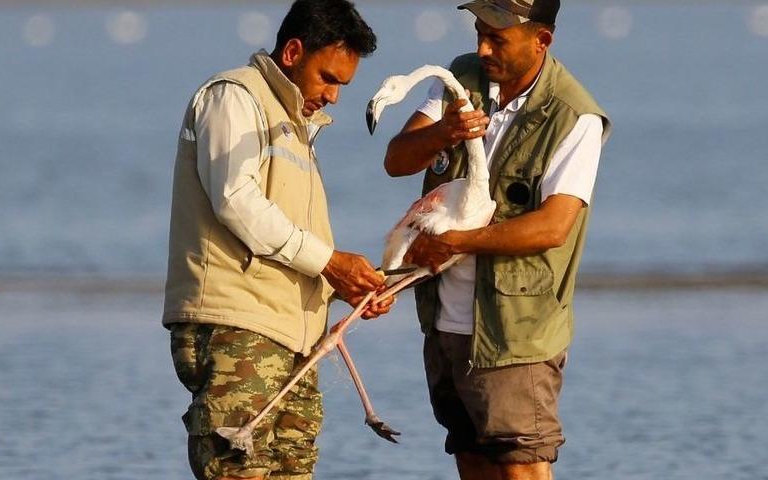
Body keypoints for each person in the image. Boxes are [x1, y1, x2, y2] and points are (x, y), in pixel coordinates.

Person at [383, 1, 612, 479]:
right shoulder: (460, 79)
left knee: (520, 469)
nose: (483, 48)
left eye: (499, 39)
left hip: (516, 336)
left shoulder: (575, 116)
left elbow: (552, 227)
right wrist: (444, 131)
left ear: (542, 41)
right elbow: (398, 159)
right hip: (445, 323)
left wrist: (454, 243)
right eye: (479, 32)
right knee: (471, 461)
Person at [162, 1, 390, 479]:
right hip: (237, 331)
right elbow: (236, 201)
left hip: (293, 340)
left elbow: (290, 240)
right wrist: (330, 262)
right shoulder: (234, 97)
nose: (333, 97)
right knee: (236, 470)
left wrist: (343, 284)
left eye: (341, 85)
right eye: (328, 78)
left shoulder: (295, 124)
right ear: (292, 52)